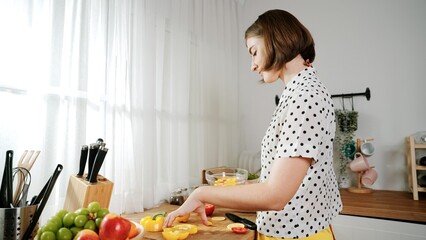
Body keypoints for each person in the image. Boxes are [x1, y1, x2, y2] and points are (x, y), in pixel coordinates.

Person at [164, 9, 342, 240]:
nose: (253, 65)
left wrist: (202, 193)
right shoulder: (300, 91)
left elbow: (276, 195)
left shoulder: (304, 97)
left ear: (275, 40)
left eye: (254, 52)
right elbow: (279, 181)